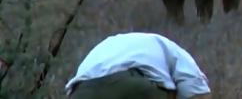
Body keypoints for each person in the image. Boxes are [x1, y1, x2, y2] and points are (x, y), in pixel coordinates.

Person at [65, 32, 211, 99]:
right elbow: (199, 94)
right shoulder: (182, 58)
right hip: (131, 85)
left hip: (82, 90)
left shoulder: (117, 44)